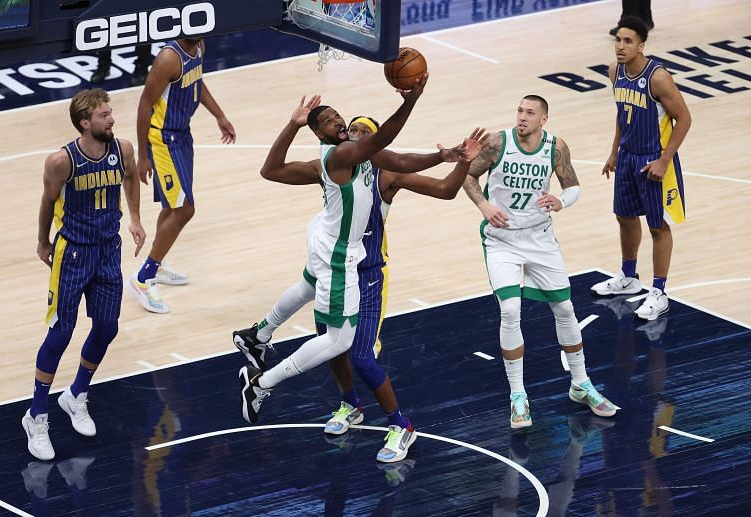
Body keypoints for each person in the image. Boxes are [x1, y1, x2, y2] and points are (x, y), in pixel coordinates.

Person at [234, 99, 486, 462]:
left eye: (365, 131)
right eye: (352, 128)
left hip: (365, 273)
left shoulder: (383, 168)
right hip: (336, 261)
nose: (355, 132)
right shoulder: (339, 158)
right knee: (332, 345)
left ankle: (400, 425)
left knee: (359, 355)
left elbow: (434, 182)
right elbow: (271, 170)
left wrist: (458, 159)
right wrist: (293, 124)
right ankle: (347, 402)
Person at [236, 79, 427, 437]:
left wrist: (445, 157)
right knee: (339, 342)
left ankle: (258, 334)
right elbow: (385, 138)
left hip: (325, 236)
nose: (340, 123)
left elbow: (397, 157)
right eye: (330, 122)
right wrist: (411, 100)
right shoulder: (340, 155)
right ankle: (263, 382)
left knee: (309, 288)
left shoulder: (356, 154)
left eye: (341, 117)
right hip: (340, 254)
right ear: (320, 134)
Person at [462, 94, 617, 429]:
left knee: (564, 311)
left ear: (544, 119)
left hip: (540, 240)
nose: (522, 117)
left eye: (530, 113)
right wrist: (483, 206)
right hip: (501, 240)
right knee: (510, 310)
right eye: (519, 110)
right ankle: (518, 395)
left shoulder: (555, 147)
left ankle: (581, 384)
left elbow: (573, 185)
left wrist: (562, 201)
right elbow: (468, 176)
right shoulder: (497, 143)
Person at [22, 88, 146, 461]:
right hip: (72, 253)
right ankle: (36, 414)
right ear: (84, 123)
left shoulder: (121, 149)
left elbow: (132, 176)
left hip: (109, 248)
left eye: (110, 113)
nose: (112, 119)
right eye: (105, 115)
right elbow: (47, 201)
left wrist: (136, 219)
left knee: (107, 328)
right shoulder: (62, 161)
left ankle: (76, 395)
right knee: (61, 332)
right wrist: (43, 242)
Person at [591, 16, 691, 321]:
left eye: (628, 41)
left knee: (658, 226)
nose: (620, 47)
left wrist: (664, 160)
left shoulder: (658, 77)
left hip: (653, 159)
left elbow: (684, 119)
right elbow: (623, 114)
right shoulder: (615, 72)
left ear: (641, 45)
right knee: (624, 217)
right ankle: (628, 277)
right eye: (618, 40)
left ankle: (659, 292)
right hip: (627, 156)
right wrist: (613, 152)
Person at [127, 38, 236, 313]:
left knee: (173, 205)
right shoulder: (168, 58)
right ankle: (144, 277)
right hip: (162, 139)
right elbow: (144, 104)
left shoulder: (200, 45)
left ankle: (157, 262)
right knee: (185, 209)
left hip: (182, 135)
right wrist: (143, 155)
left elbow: (197, 82)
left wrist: (219, 116)